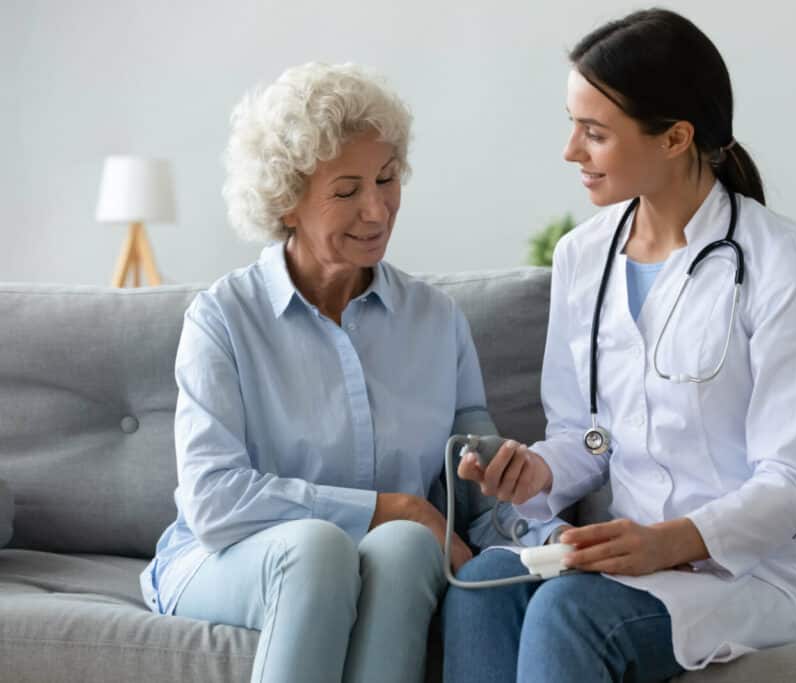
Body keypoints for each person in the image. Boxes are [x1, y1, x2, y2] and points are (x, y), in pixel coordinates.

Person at [444, 9, 796, 682]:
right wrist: (540, 471)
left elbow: (789, 480)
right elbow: (594, 436)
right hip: (628, 563)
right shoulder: (583, 257)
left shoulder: (779, 259)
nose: (571, 150)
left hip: (752, 573)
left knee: (569, 611)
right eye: (573, 125)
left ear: (675, 137)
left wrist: (667, 544)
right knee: (486, 580)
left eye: (595, 133)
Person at [139, 62, 561, 683]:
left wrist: (531, 509)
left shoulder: (436, 320)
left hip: (388, 556)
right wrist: (389, 506)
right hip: (226, 558)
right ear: (286, 202)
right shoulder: (223, 319)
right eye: (346, 191)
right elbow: (214, 501)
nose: (376, 209)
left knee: (410, 543)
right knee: (318, 549)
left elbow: (471, 480)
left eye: (387, 179)